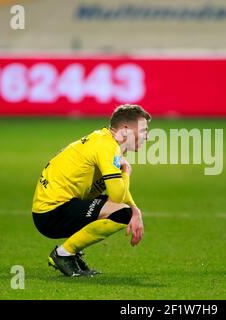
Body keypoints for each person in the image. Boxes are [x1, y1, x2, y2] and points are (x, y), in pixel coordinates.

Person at [31, 104, 150, 277]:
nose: (147, 136)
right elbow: (117, 196)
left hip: (56, 208)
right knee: (122, 214)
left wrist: (135, 210)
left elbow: (117, 194)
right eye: (143, 130)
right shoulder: (107, 148)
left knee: (125, 210)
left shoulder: (103, 140)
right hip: (51, 214)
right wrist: (127, 174)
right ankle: (64, 254)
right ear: (125, 130)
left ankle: (70, 254)